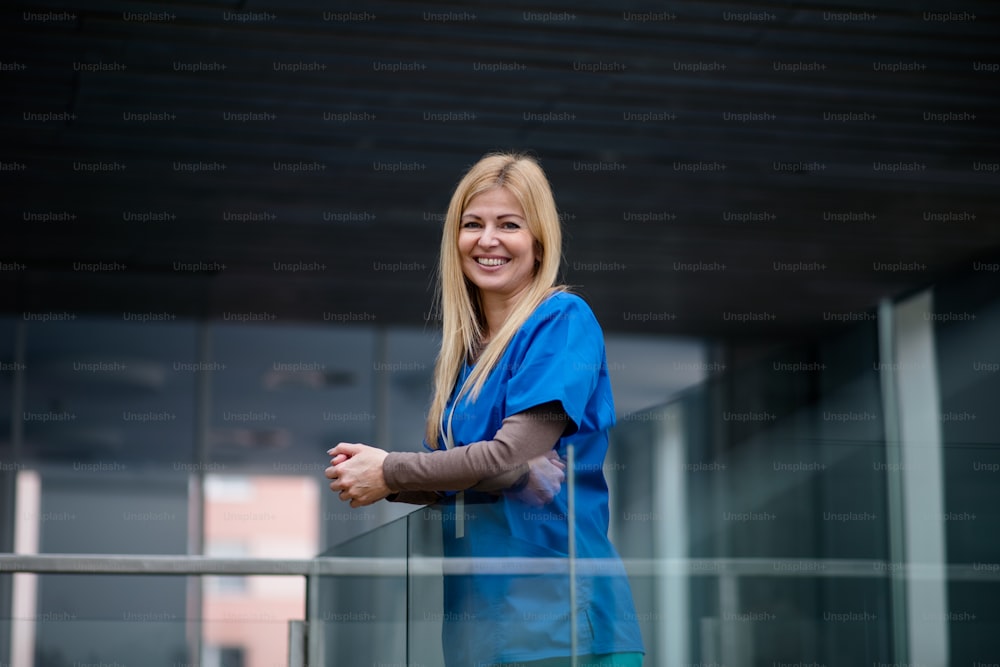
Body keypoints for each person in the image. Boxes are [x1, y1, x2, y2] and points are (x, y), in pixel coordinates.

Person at [326, 152, 645, 667]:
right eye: (472, 224)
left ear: (539, 242)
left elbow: (505, 454)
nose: (487, 239)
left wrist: (392, 469)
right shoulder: (465, 355)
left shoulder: (561, 319)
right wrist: (382, 473)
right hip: (479, 624)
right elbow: (474, 473)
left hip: (562, 622)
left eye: (509, 224)